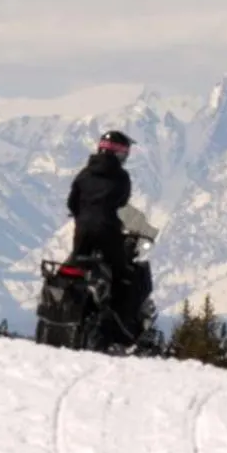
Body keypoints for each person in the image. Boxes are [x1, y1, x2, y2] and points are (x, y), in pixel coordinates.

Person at [66, 130, 139, 343]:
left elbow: (72, 202)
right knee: (123, 277)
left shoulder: (84, 173)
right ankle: (120, 329)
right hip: (108, 232)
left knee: (74, 268)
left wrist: (83, 213)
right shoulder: (121, 176)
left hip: (82, 233)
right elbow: (123, 202)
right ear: (119, 153)